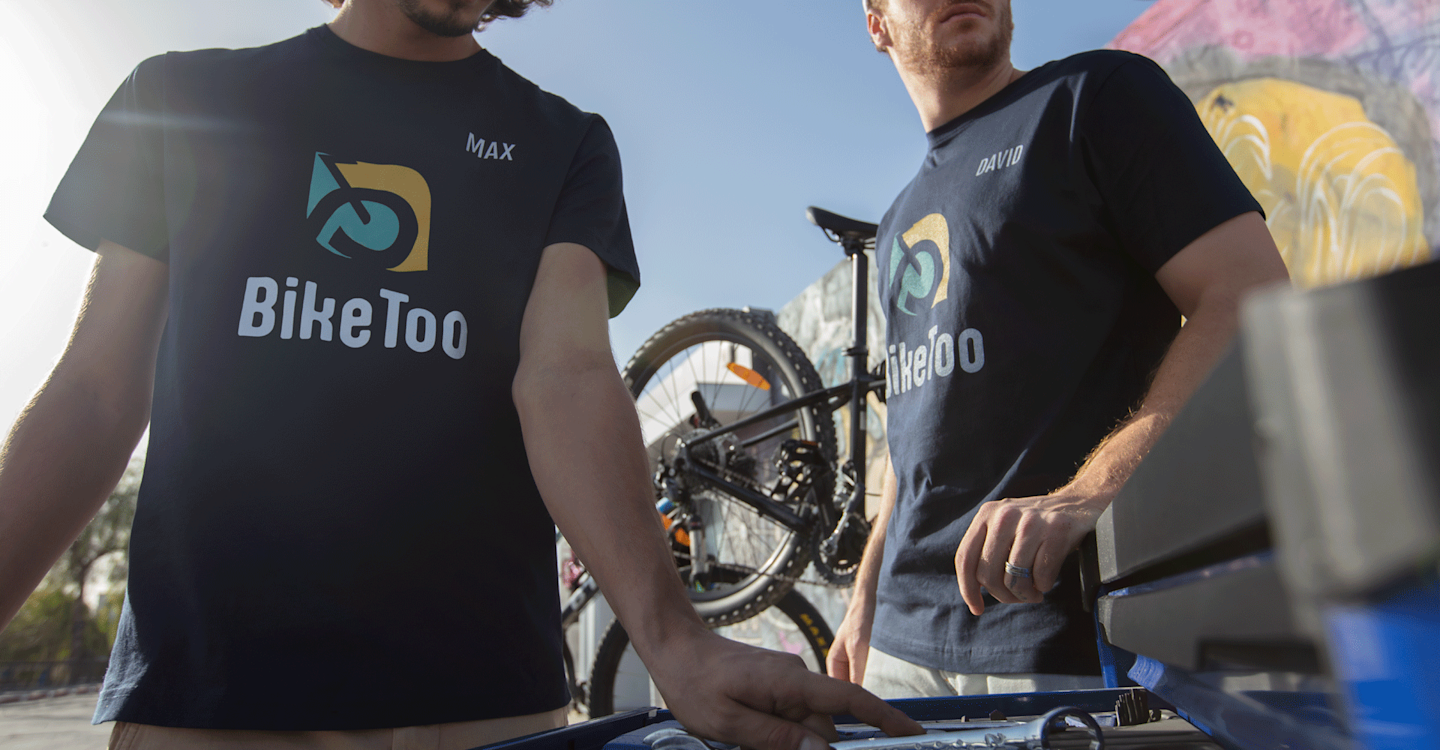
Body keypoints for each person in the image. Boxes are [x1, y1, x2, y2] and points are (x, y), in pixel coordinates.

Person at [0, 1, 924, 748]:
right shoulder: (178, 97)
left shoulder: (566, 142)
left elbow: (563, 375)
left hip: (481, 711)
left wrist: (675, 641)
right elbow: (94, 391)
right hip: (204, 699)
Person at [826, 0, 1291, 698]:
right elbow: (913, 426)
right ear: (877, 22)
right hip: (900, 650)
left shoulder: (1097, 97)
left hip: (1058, 633)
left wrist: (1090, 492)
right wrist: (862, 599)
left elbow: (1250, 297)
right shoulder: (896, 223)